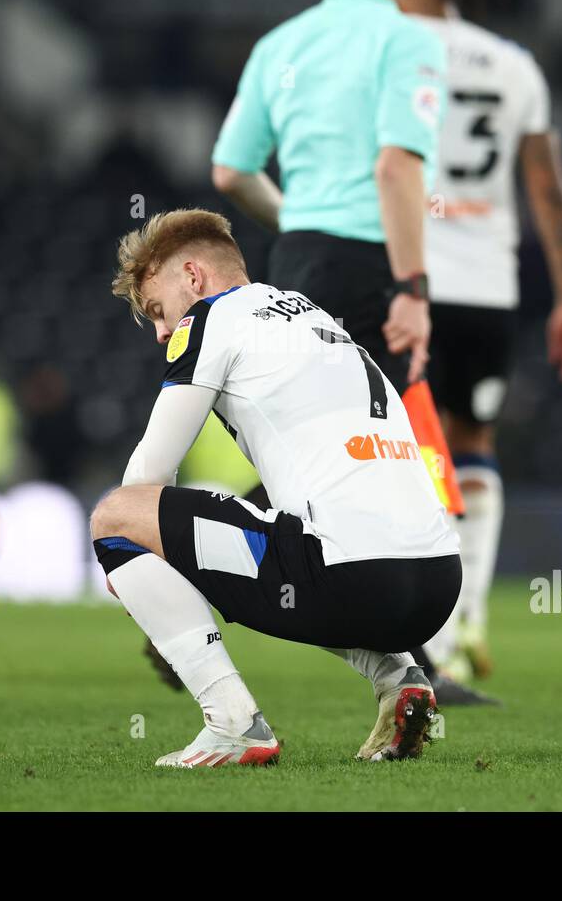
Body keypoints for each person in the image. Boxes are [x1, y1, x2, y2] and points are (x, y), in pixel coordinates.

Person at [210, 0, 490, 702]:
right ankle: (419, 663)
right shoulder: (409, 40)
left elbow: (229, 169)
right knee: (397, 451)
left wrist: (301, 218)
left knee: (320, 449)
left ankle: (200, 564)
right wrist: (412, 285)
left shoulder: (280, 44)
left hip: (298, 262)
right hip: (373, 266)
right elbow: (397, 164)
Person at [94, 209, 461, 766]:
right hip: (436, 584)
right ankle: (399, 677)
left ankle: (234, 724)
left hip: (352, 575)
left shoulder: (212, 319)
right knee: (300, 542)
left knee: (114, 518)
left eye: (156, 310)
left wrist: (142, 576)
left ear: (194, 278)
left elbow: (145, 483)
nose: (162, 331)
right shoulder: (315, 317)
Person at [399, 0, 562, 681]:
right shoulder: (513, 64)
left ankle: (433, 633)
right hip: (488, 286)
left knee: (414, 449)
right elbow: (550, 190)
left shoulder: (392, 53)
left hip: (410, 279)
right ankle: (469, 617)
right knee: (472, 442)